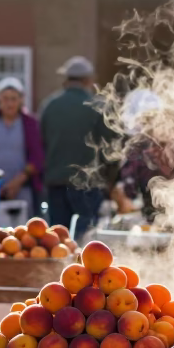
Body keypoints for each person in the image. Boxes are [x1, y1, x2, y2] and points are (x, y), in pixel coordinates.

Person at [39, 56, 111, 235]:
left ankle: (59, 264)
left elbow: (40, 142)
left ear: (66, 79)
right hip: (87, 182)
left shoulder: (50, 105)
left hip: (56, 179)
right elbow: (110, 146)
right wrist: (109, 179)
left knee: (58, 234)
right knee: (85, 231)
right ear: (88, 79)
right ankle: (80, 262)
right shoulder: (97, 105)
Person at [0, 77, 44, 208]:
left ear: (21, 100)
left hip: (23, 188)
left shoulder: (30, 123)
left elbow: (37, 158)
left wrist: (16, 183)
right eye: (5, 99)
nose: (9, 104)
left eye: (14, 99)